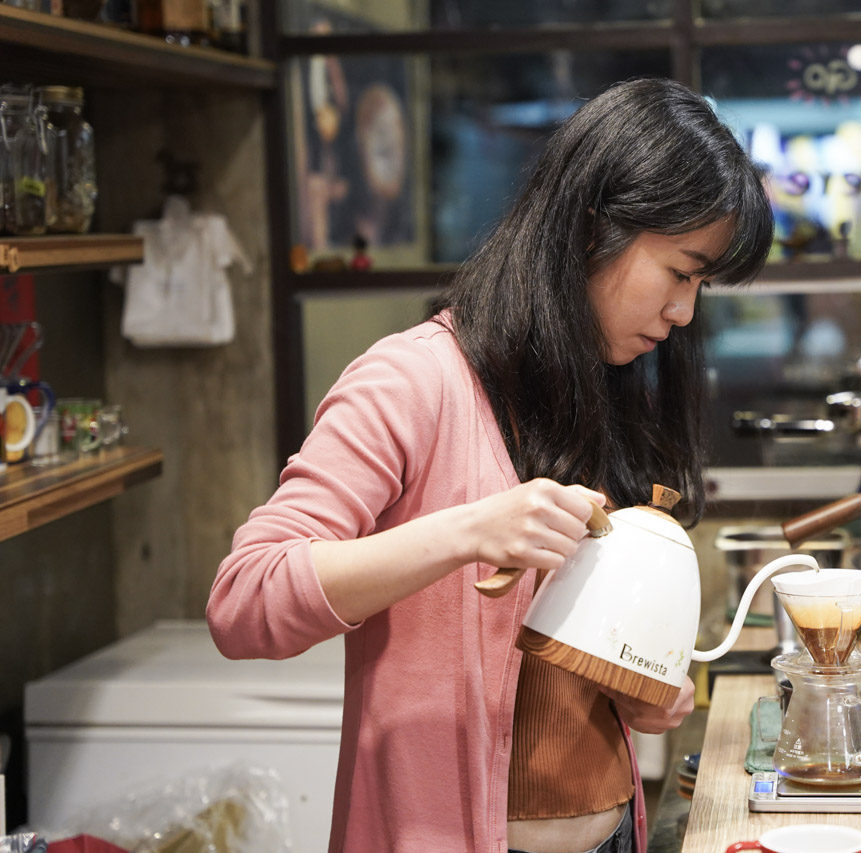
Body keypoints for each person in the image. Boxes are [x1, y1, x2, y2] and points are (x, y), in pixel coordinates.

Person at [207, 76, 773, 853]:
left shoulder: (604, 384)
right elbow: (244, 600)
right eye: (681, 272)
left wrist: (636, 694)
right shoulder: (413, 379)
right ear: (590, 227)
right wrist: (469, 530)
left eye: (703, 285)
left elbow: (552, 665)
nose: (685, 312)